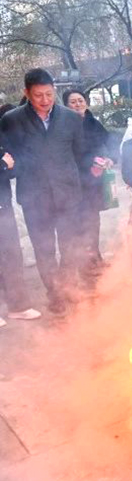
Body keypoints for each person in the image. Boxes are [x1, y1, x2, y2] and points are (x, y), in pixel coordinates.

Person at [0, 69, 88, 314]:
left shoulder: (71, 118)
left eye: (49, 94)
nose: (45, 100)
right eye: (38, 95)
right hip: (34, 198)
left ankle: (68, 288)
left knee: (70, 247)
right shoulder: (11, 120)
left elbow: (79, 154)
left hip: (68, 195)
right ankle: (55, 294)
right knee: (44, 249)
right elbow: (9, 156)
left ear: (54, 91)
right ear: (27, 93)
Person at [63, 89, 115, 275]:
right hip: (74, 182)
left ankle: (94, 258)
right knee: (79, 223)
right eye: (73, 102)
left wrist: (109, 158)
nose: (78, 104)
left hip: (94, 182)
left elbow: (110, 142)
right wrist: (89, 161)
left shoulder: (93, 122)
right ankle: (83, 263)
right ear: (66, 106)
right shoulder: (64, 126)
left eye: (80, 100)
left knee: (93, 220)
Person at [0, 103, 42, 326]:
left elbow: (13, 167)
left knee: (12, 256)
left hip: (2, 206)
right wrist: (2, 165)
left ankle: (18, 306)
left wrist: (8, 166)